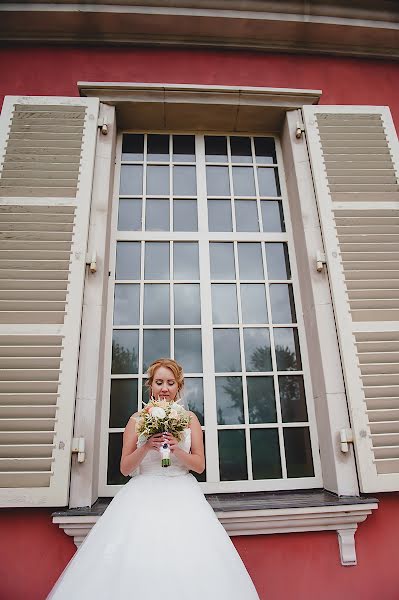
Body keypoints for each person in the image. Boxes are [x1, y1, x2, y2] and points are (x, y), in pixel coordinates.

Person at [47, 358, 261, 599]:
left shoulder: (190, 419)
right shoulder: (136, 420)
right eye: (159, 382)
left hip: (182, 494)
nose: (164, 388)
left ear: (178, 387)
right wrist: (147, 446)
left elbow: (199, 466)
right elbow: (125, 468)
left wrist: (177, 450)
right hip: (141, 495)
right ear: (150, 386)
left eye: (170, 383)